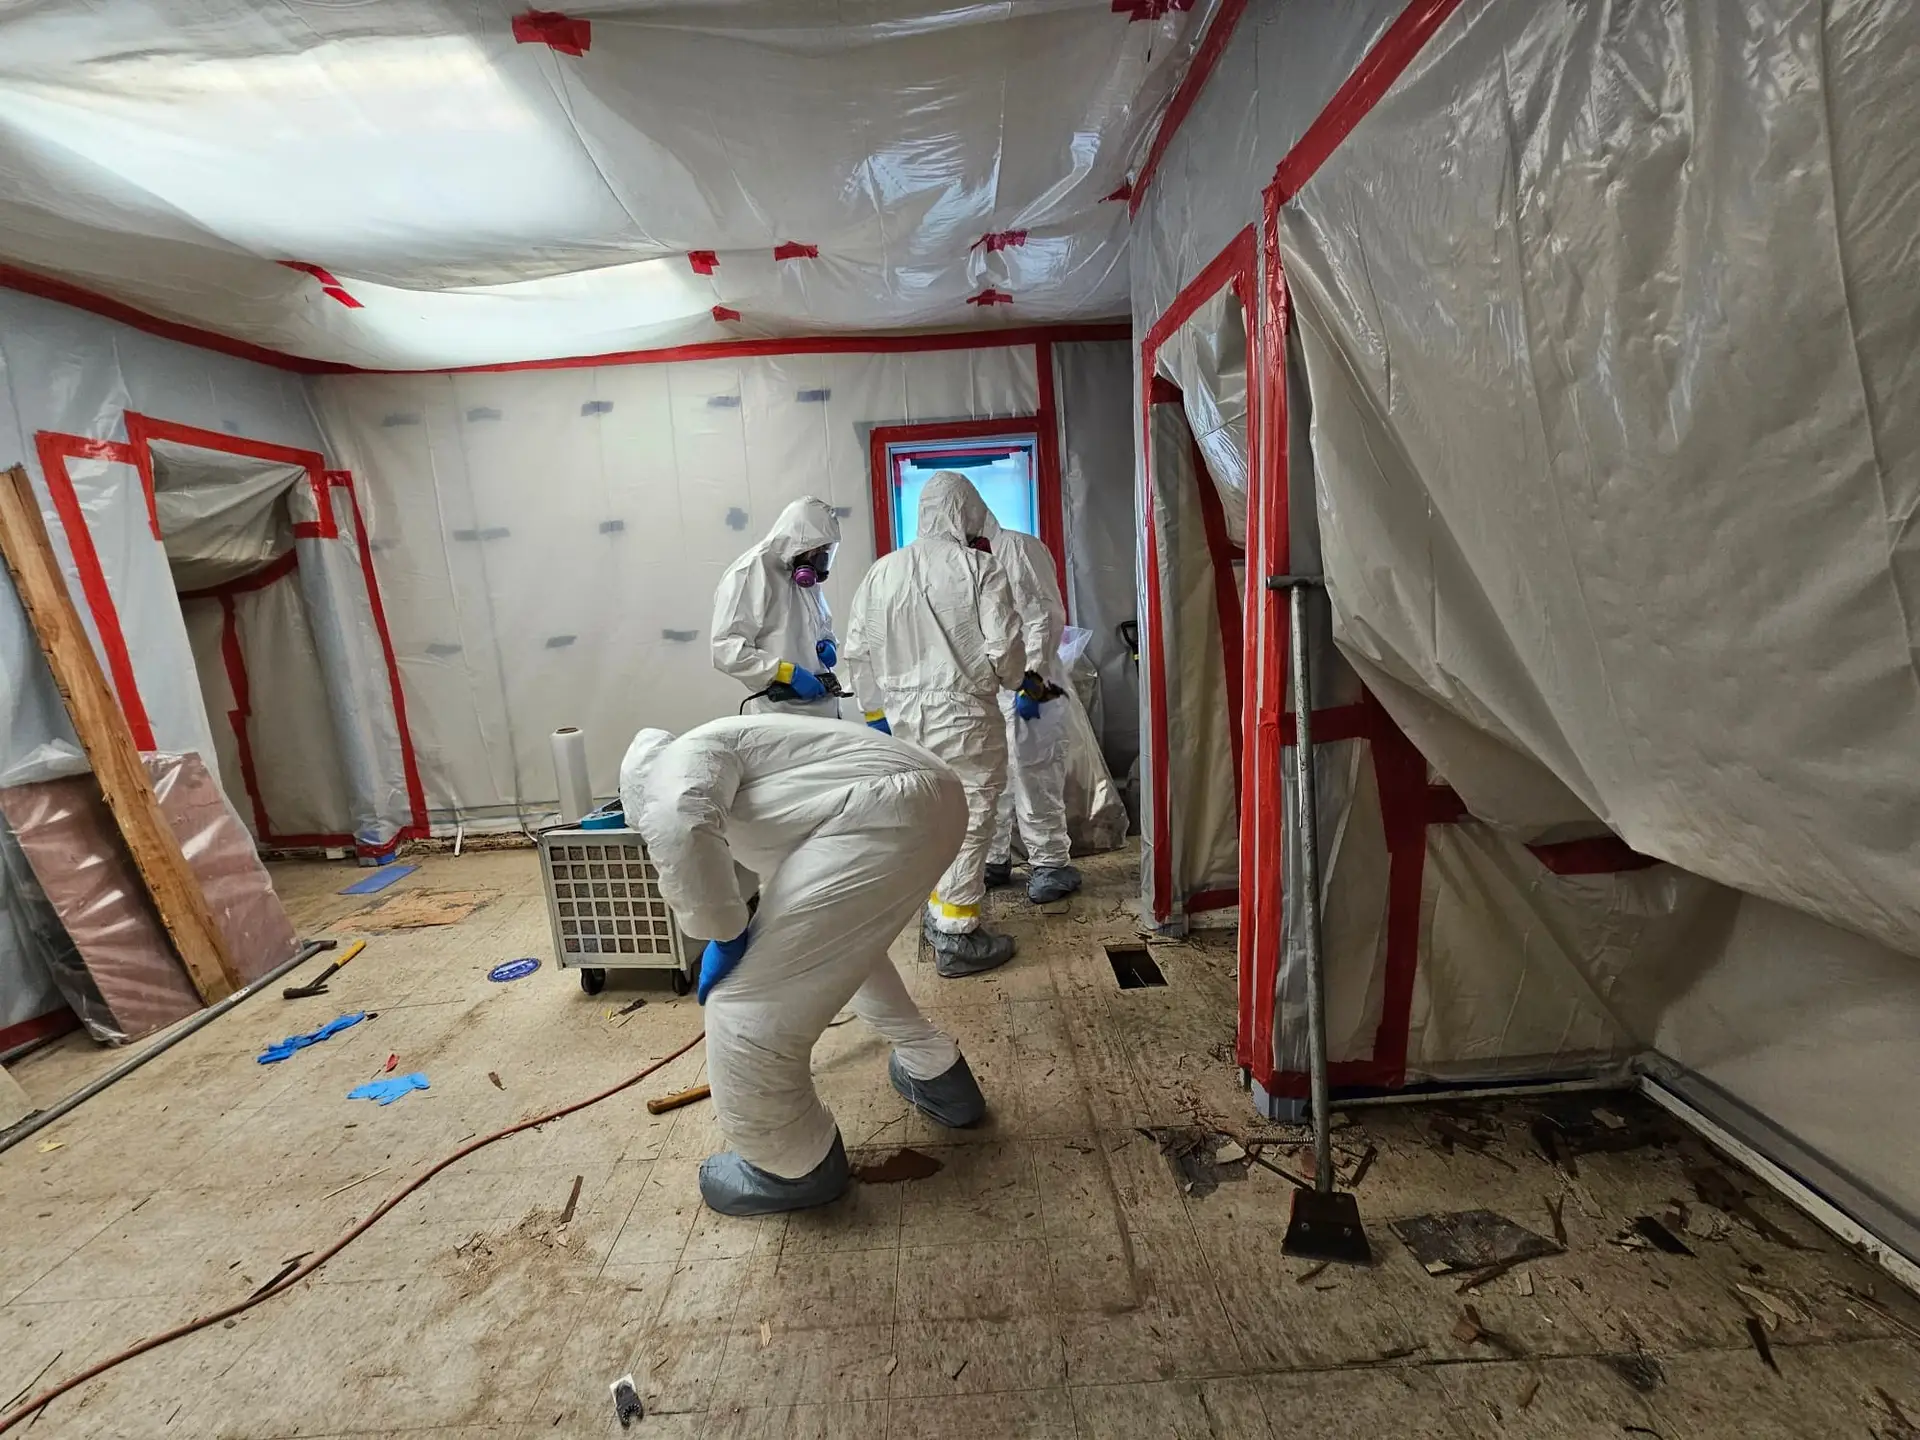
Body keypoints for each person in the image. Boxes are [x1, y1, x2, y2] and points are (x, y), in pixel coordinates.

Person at [619, 716, 990, 1217]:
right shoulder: (753, 768)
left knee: (745, 1005)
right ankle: (939, 1077)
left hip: (882, 812)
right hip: (932, 801)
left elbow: (676, 821)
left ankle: (791, 1168)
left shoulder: (673, 767)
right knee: (847, 951)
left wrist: (722, 932)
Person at [844, 471, 1026, 977]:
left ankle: (937, 908)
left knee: (927, 816)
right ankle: (958, 933)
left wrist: (876, 713)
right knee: (971, 817)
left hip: (904, 719)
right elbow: (1005, 647)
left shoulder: (882, 572)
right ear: (964, 512)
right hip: (964, 712)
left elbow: (856, 651)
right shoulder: (980, 568)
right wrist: (1011, 680)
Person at [977, 509, 1082, 905]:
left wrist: (1030, 681)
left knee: (1034, 774)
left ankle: (1050, 863)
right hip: (998, 686)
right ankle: (994, 859)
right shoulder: (973, 559)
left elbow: (1044, 616)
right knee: (996, 778)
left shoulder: (1016, 548)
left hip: (1032, 688)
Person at [710, 497, 843, 717]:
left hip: (822, 705)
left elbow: (820, 623)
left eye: (827, 551)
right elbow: (725, 648)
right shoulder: (750, 573)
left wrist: (828, 642)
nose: (821, 559)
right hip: (782, 713)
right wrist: (784, 672)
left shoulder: (802, 571)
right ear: (801, 541)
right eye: (818, 550)